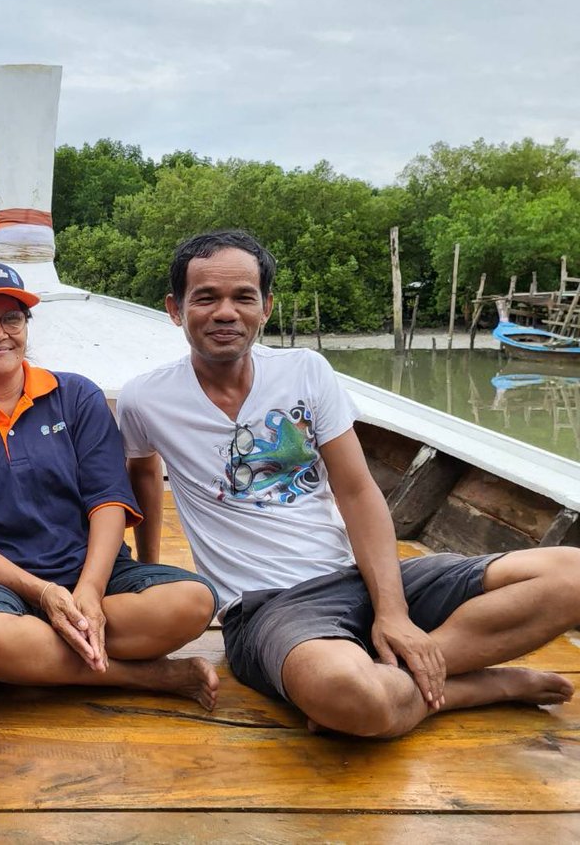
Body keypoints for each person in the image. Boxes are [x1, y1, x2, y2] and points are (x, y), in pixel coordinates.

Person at [117, 229, 580, 738]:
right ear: (175, 308)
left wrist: (393, 612)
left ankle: (406, 677)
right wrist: (152, 570)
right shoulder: (146, 398)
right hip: (267, 606)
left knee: (570, 574)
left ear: (266, 306)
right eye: (206, 297)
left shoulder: (305, 371)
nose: (226, 312)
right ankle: (480, 685)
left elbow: (357, 492)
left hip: (359, 575)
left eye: (243, 297)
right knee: (351, 695)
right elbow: (142, 474)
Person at [0, 257, 219, 708]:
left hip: (87, 573)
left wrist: (88, 590)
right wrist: (43, 593)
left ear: (27, 324)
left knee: (192, 601)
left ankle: (27, 667)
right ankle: (144, 677)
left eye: (11, 318)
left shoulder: (76, 396)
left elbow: (108, 501)